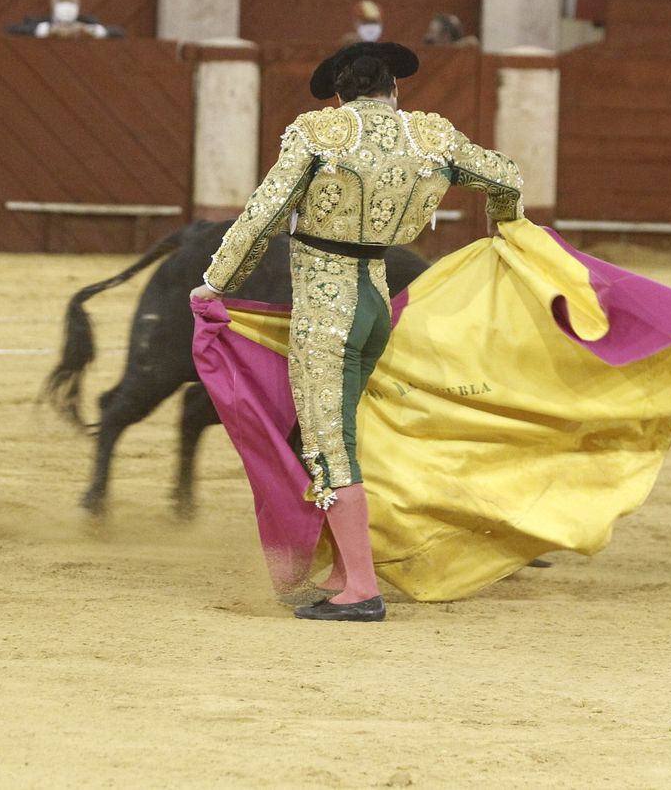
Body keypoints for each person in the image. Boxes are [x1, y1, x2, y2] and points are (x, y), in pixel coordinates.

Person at [191, 42, 525, 622]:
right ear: (394, 90)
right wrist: (509, 232)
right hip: (376, 300)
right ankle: (346, 570)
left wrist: (216, 285)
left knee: (328, 444)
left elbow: (264, 216)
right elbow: (507, 178)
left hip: (328, 305)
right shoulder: (430, 135)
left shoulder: (320, 133)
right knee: (344, 432)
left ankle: (361, 590)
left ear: (341, 94)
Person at [34, 0, 106, 39]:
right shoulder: (35, 22)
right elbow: (24, 31)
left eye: (71, 2)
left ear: (78, 4)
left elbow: (114, 32)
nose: (67, 6)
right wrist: (49, 30)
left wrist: (88, 31)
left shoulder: (90, 22)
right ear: (52, 3)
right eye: (62, 1)